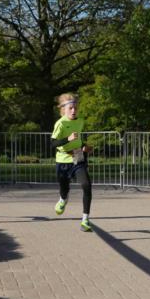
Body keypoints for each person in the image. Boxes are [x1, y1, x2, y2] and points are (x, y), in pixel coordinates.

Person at [51, 93, 94, 232]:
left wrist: (84, 146)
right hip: (62, 159)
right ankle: (63, 199)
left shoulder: (80, 121)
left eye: (75, 107)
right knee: (64, 188)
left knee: (86, 185)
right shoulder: (61, 123)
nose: (74, 110)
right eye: (71, 108)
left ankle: (85, 220)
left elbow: (79, 140)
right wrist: (67, 139)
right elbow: (53, 143)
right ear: (64, 109)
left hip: (77, 156)